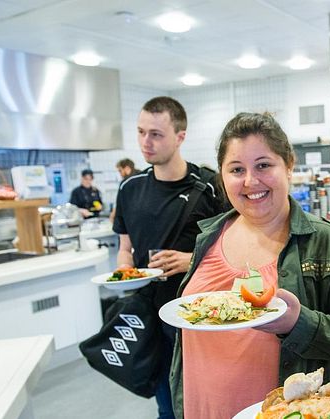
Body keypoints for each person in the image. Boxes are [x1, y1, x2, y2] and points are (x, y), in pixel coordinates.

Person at [168, 112, 330, 418]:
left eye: (263, 165)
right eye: (236, 169)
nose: (250, 181)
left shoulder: (327, 242)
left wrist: (299, 324)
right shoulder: (207, 237)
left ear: (288, 165)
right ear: (222, 175)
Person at [113, 96, 225, 419]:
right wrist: (126, 271)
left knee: (206, 405)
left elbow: (232, 250)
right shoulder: (129, 188)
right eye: (140, 132)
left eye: (156, 134)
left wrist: (191, 260)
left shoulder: (209, 187)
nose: (145, 142)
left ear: (180, 137)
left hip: (199, 319)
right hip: (151, 317)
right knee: (167, 407)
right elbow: (125, 247)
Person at [110, 158, 142, 223]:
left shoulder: (127, 182)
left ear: (127, 168)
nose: (120, 174)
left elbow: (120, 203)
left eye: (120, 171)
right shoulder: (142, 176)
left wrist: (112, 215)